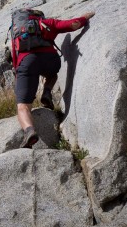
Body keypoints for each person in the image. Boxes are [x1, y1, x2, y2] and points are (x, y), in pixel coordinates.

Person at [12, 10, 95, 148]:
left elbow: (15, 57)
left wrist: (19, 75)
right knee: (52, 75)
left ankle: (29, 131)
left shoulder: (17, 32)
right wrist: (85, 17)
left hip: (27, 62)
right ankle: (47, 91)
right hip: (50, 60)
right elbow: (72, 25)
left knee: (23, 106)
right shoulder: (46, 23)